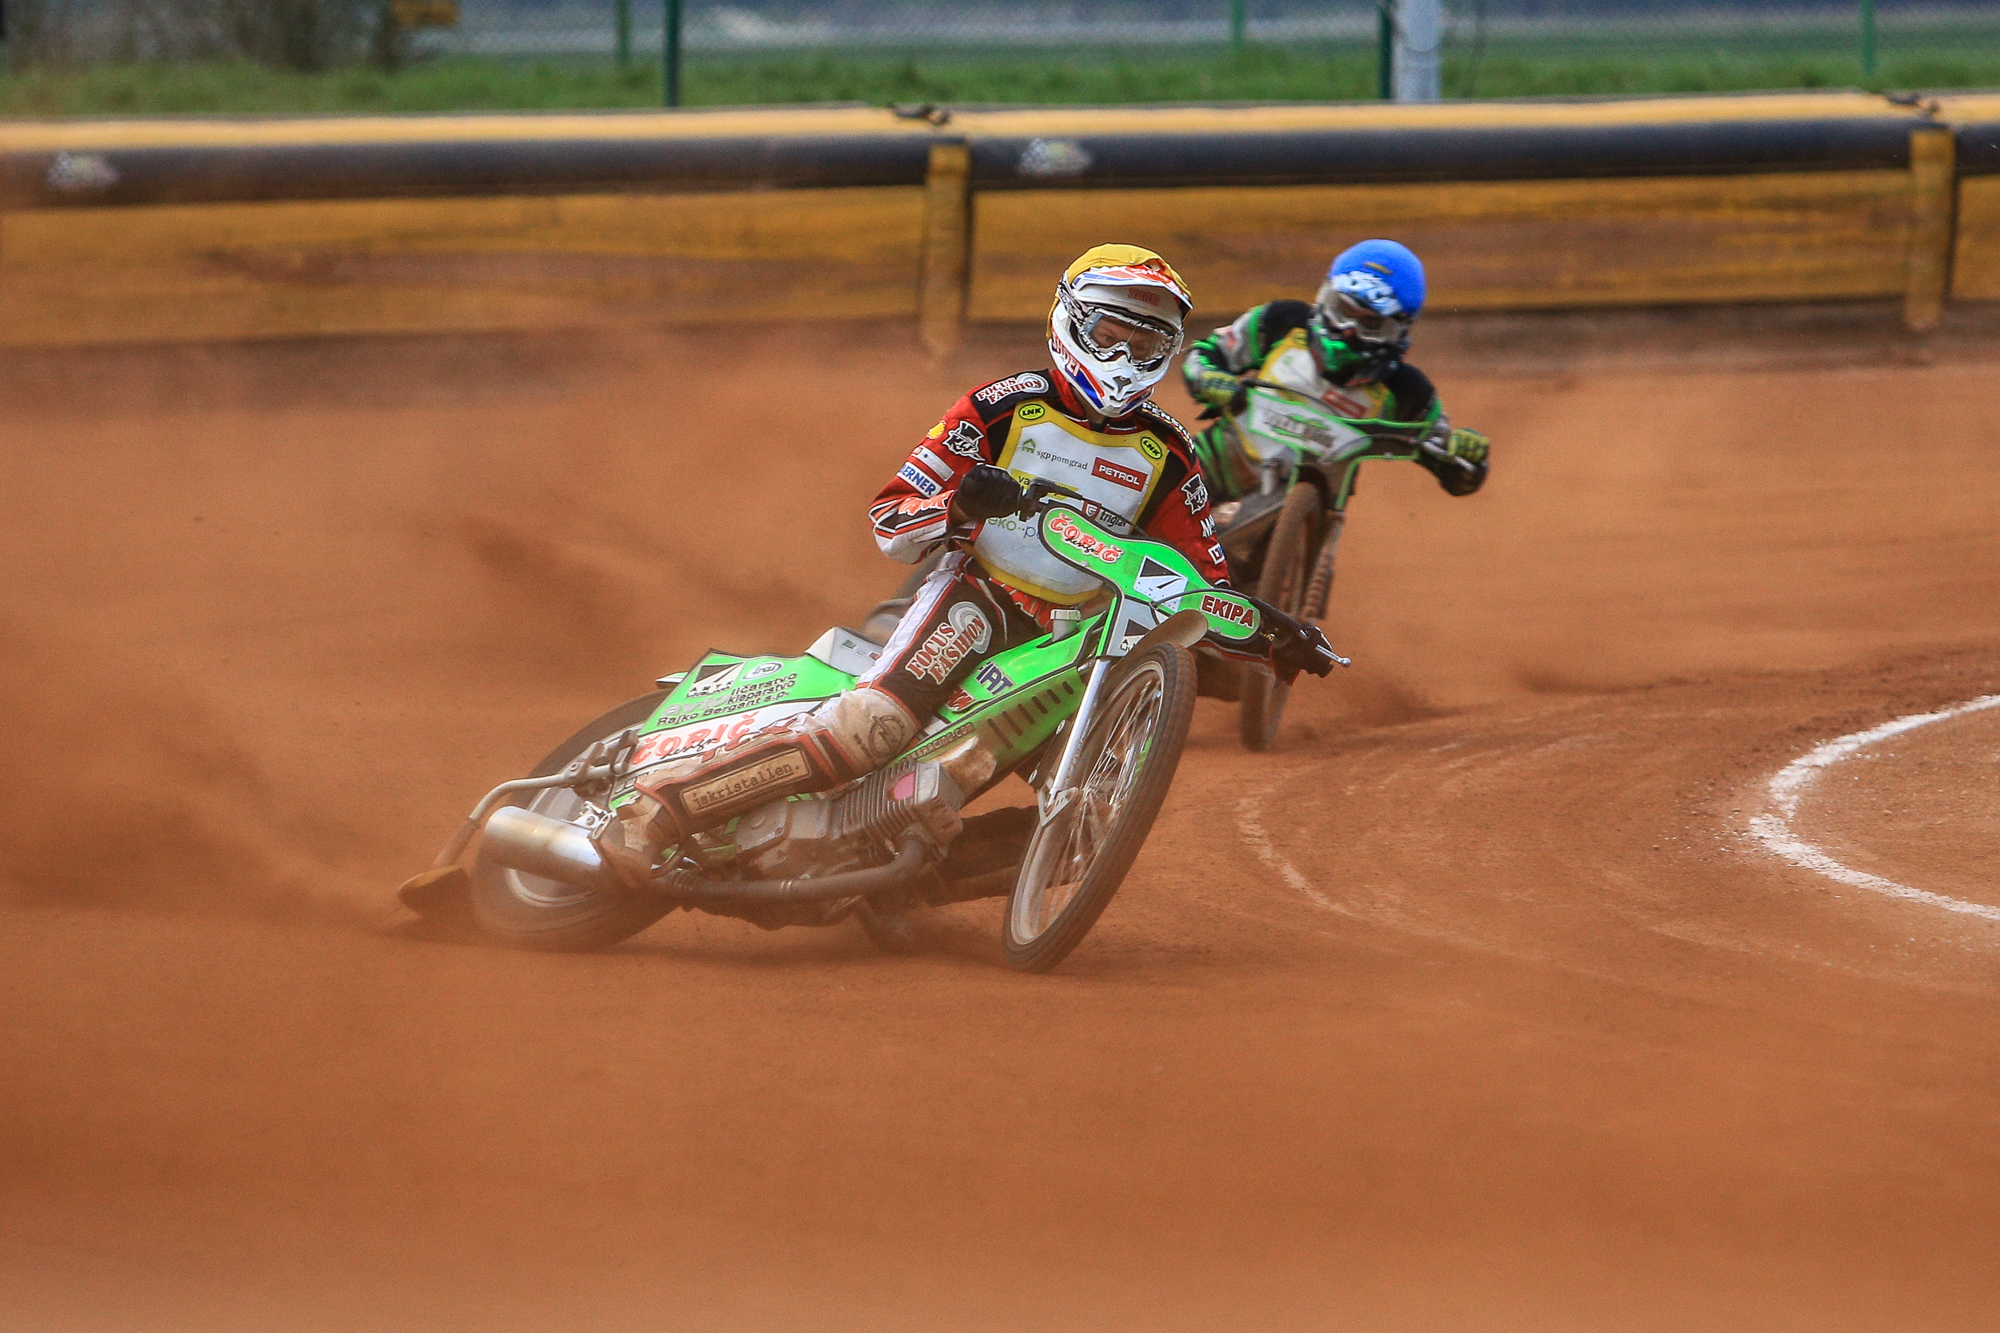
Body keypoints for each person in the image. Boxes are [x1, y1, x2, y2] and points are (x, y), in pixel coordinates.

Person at [594, 243, 1335, 888]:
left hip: (1083, 642)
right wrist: (959, 506)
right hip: (980, 600)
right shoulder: (1002, 407)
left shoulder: (1169, 452)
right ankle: (658, 811)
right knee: (874, 726)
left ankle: (900, 888)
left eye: (1145, 346)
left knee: (1096, 815)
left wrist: (1275, 634)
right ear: (1071, 322)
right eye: (1110, 336)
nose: (1122, 360)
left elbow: (1201, 583)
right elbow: (890, 517)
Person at [1180, 239, 1490, 507]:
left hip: (1308, 511)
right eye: (1344, 311)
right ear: (1325, 296)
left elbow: (1458, 475)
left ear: (1398, 329)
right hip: (1215, 464)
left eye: (1370, 324)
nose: (1349, 330)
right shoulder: (1281, 321)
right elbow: (1205, 353)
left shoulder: (1407, 391)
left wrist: (1467, 455)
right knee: (1160, 482)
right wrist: (1208, 378)